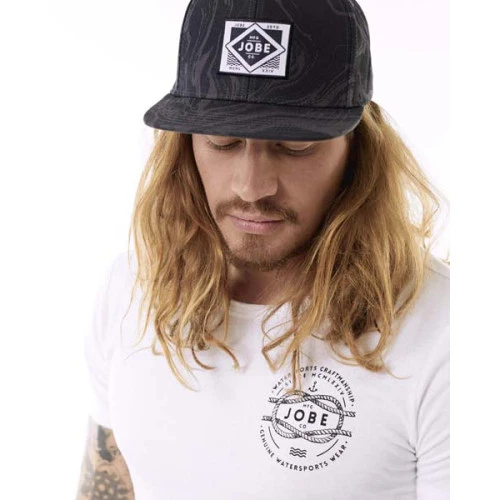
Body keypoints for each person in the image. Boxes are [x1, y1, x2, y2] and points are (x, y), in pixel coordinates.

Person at [76, 0, 450, 499]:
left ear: (359, 148)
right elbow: (107, 485)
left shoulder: (446, 333)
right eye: (222, 142)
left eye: (294, 146)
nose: (252, 186)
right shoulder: (131, 288)